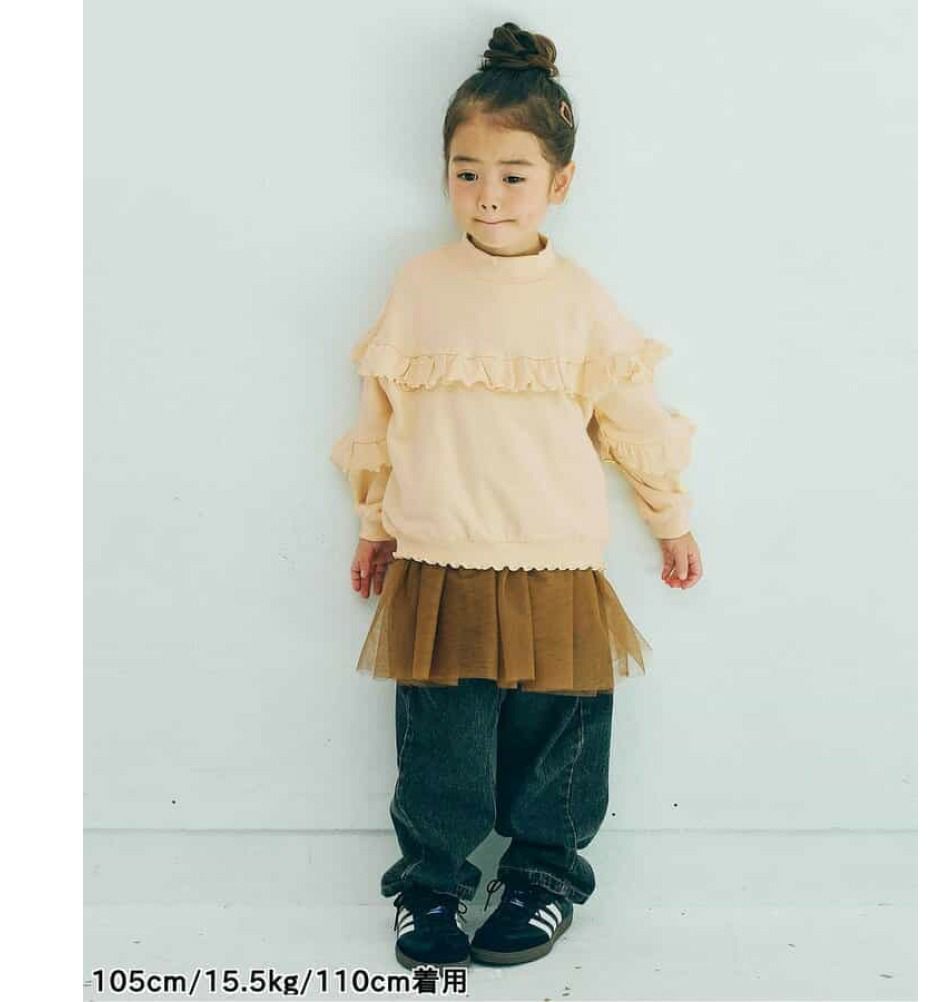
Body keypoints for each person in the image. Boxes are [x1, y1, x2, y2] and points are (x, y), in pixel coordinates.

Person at [330, 21, 703, 972]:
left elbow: (630, 416)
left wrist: (669, 517)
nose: (487, 195)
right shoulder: (419, 286)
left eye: (512, 174)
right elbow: (383, 417)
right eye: (467, 172)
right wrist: (374, 524)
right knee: (442, 747)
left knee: (558, 739)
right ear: (444, 173)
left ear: (559, 183)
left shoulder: (579, 300)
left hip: (553, 556)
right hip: (440, 552)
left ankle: (542, 878)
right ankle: (432, 885)